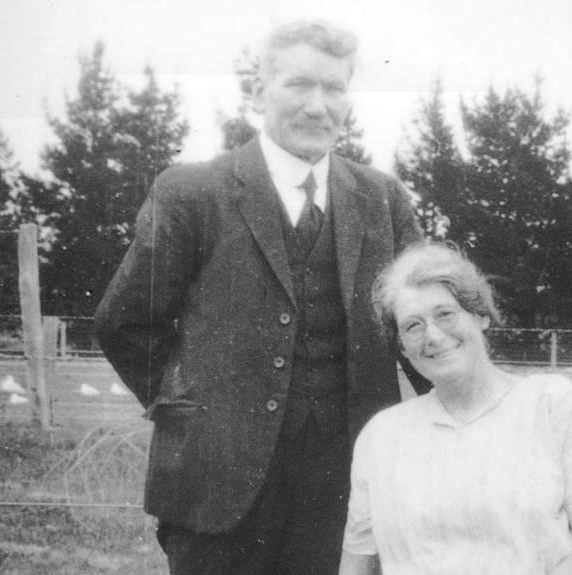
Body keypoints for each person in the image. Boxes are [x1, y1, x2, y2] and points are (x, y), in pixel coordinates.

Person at [95, 19, 429, 575]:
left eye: (334, 88)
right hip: (215, 488)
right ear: (257, 93)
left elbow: (420, 322)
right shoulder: (192, 191)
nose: (318, 105)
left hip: (350, 486)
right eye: (299, 84)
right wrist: (193, 411)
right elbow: (124, 324)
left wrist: (479, 411)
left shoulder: (383, 199)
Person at [339, 241, 572, 575]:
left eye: (445, 314)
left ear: (480, 314)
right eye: (413, 325)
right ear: (401, 345)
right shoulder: (382, 436)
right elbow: (357, 564)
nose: (434, 336)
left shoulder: (553, 404)